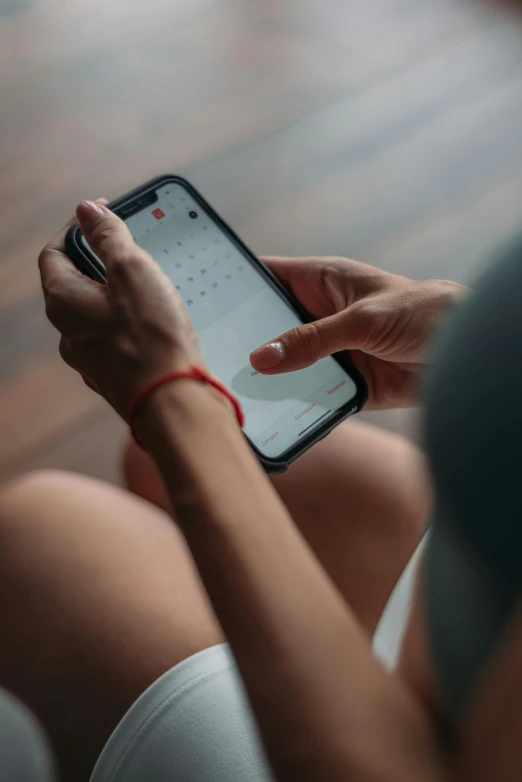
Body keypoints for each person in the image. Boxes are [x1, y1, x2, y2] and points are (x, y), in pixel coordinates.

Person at [0, 198, 519, 782]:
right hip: (478, 592)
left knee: (41, 528)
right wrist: (467, 335)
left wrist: (174, 399)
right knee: (178, 460)